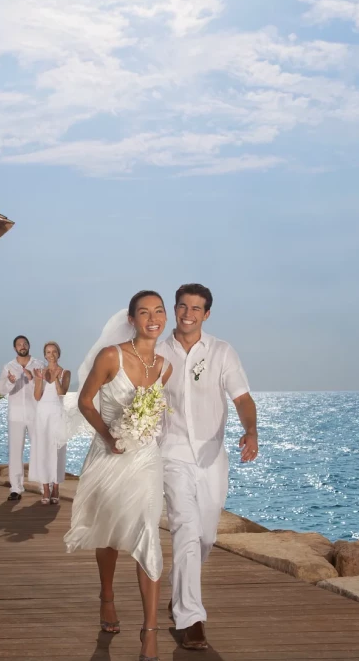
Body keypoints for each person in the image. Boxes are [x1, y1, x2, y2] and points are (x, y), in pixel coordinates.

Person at [64, 291, 172, 661]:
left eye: (159, 311)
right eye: (144, 312)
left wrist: (143, 430)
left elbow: (156, 413)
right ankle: (107, 596)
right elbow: (85, 401)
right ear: (131, 318)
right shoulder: (111, 355)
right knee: (109, 530)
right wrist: (110, 436)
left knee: (147, 530)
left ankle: (150, 630)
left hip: (145, 458)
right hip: (109, 454)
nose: (153, 318)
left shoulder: (165, 366)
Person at [158, 283, 258, 651]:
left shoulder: (222, 351)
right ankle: (191, 618)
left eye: (196, 308)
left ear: (207, 314)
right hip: (172, 453)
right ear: (175, 308)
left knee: (204, 537)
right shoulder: (157, 351)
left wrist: (251, 431)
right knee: (184, 529)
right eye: (182, 306)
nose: (188, 314)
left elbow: (243, 398)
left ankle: (180, 590)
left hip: (212, 456)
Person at [0, 336, 45, 500]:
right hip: (15, 414)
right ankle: (16, 488)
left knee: (38, 449)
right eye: (19, 344)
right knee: (15, 451)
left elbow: (44, 389)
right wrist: (10, 382)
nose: (22, 346)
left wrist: (32, 379)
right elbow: (2, 390)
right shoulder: (9, 366)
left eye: (25, 344)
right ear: (14, 348)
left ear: (29, 346)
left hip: (35, 413)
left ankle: (43, 485)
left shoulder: (38, 364)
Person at [30, 341, 69, 505]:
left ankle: (56, 487)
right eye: (48, 352)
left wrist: (55, 378)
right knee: (43, 449)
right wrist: (40, 379)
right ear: (44, 355)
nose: (51, 355)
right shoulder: (40, 372)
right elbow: (37, 396)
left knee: (57, 450)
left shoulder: (65, 372)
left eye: (54, 352)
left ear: (58, 354)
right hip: (42, 414)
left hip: (57, 413)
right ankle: (45, 487)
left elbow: (62, 392)